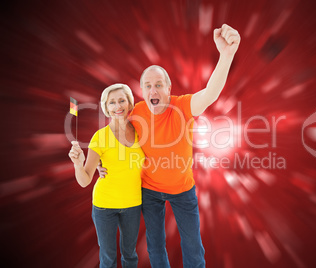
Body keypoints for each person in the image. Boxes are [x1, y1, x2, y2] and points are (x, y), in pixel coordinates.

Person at [99, 23, 241, 268]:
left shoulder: (183, 106)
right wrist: (99, 162)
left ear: (168, 88)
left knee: (193, 245)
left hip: (183, 190)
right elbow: (114, 136)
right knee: (155, 245)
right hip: (149, 191)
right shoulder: (136, 113)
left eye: (158, 85)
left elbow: (210, 93)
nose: (153, 90)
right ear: (142, 91)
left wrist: (226, 55)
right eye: (148, 86)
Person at [68, 84, 145, 268]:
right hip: (104, 207)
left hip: (133, 204)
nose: (117, 106)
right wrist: (78, 164)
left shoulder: (141, 132)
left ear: (129, 103)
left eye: (121, 100)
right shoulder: (99, 137)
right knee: (108, 258)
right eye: (112, 102)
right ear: (106, 107)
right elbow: (85, 180)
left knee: (130, 255)